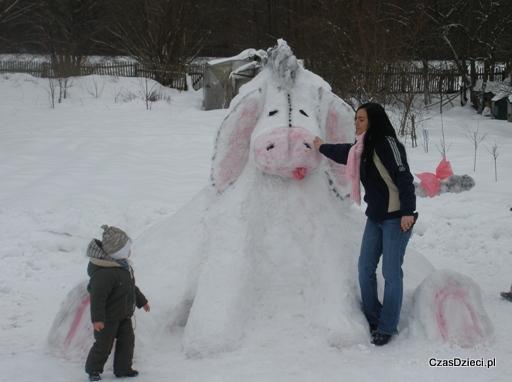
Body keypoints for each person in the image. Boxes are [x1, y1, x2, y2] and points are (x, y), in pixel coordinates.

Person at [313, 102, 417, 346]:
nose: (356, 123)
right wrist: (320, 147)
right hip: (376, 217)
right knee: (364, 268)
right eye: (356, 119)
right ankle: (373, 317)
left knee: (391, 274)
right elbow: (344, 153)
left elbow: (404, 177)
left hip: (396, 218)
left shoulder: (388, 144)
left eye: (361, 119)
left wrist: (408, 212)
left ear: (374, 120)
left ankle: (387, 326)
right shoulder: (362, 147)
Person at [85, 225, 150, 381]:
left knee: (127, 342)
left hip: (124, 316)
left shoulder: (122, 267)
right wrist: (98, 319)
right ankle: (93, 370)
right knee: (103, 345)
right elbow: (97, 297)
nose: (129, 252)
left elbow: (130, 287)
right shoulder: (104, 273)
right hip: (107, 319)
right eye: (126, 249)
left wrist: (142, 301)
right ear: (116, 251)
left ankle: (123, 369)